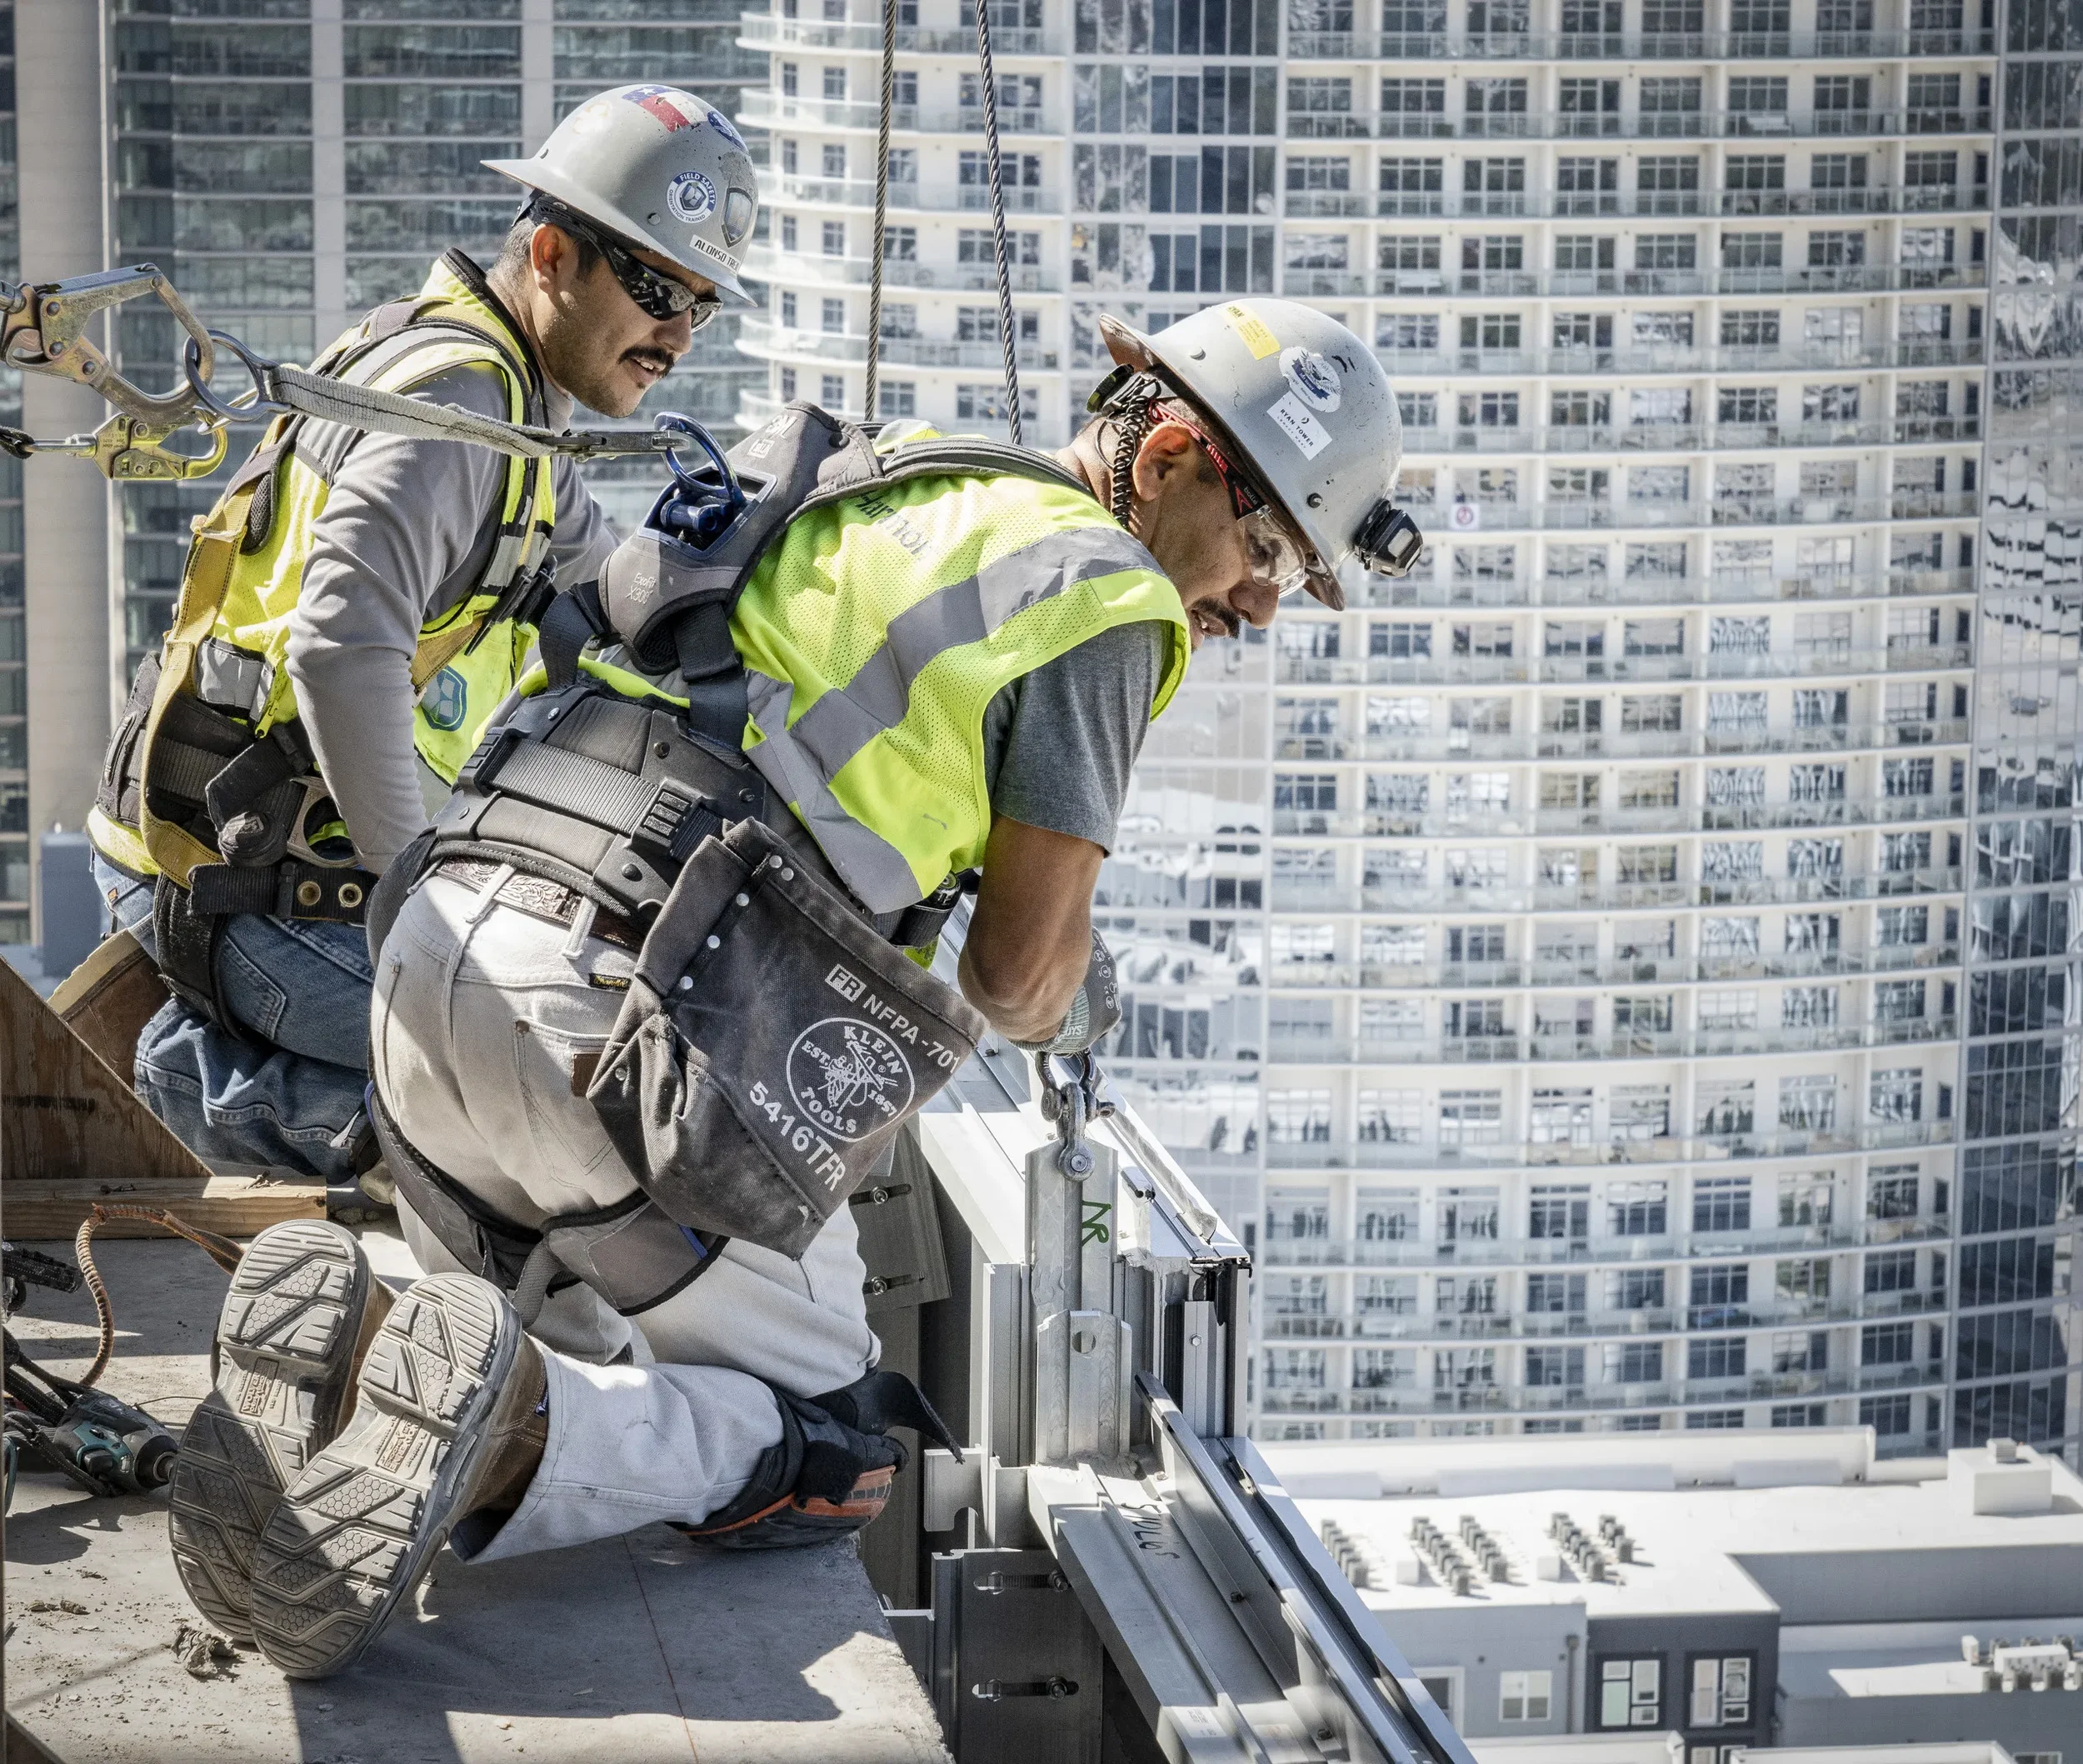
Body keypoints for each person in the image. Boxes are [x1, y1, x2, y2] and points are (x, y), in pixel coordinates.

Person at [181, 297, 1417, 1678]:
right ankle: (507, 1417)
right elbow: (1015, 981)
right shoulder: (1112, 604)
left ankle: (364, 1355)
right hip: (621, 1038)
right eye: (1263, 551)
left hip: (431, 961)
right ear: (1176, 452)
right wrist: (1076, 988)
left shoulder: (898, 472)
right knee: (829, 1450)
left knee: (600, 1324)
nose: (1255, 603)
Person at [85, 83, 758, 1182]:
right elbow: (341, 649)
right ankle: (201, 1085)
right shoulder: (461, 413)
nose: (676, 336)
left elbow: (606, 594)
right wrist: (422, 928)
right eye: (655, 289)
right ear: (551, 253)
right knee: (563, 1112)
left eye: (701, 307)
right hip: (238, 891)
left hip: (278, 866)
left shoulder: (505, 403)